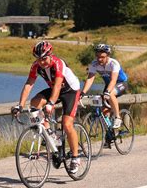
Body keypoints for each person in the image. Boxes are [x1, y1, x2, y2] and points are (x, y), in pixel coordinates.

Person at [11, 41, 81, 174]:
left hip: (70, 90)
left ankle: (75, 157)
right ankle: (50, 134)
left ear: (50, 55)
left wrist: (50, 103)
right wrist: (20, 105)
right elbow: (29, 84)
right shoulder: (36, 66)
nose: (41, 62)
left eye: (44, 58)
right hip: (55, 89)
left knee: (67, 124)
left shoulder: (58, 63)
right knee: (35, 102)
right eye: (38, 59)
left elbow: (58, 85)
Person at [80, 44, 128, 130]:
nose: (99, 59)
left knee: (111, 94)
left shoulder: (113, 63)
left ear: (108, 55)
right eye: (97, 56)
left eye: (102, 57)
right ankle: (109, 135)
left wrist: (107, 92)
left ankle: (118, 117)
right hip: (109, 85)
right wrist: (82, 92)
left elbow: (113, 80)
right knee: (104, 112)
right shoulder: (94, 64)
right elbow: (90, 79)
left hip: (121, 83)